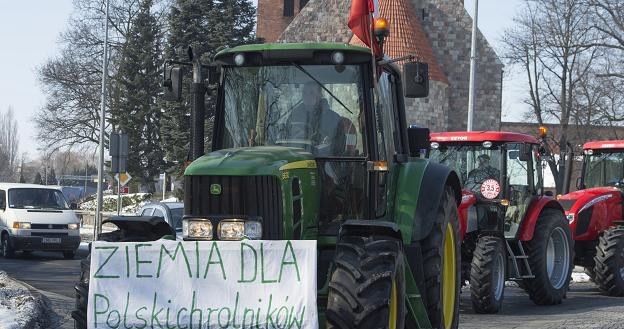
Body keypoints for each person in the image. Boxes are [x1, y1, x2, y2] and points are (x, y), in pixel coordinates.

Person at [285, 81, 344, 153]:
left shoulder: (334, 119)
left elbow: (339, 148)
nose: (307, 96)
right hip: (297, 159)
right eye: (304, 93)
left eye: (311, 93)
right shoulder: (294, 116)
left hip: (324, 161)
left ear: (320, 95)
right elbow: (285, 139)